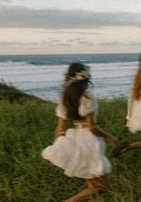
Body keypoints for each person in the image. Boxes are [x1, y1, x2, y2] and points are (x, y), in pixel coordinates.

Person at [42, 63, 117, 202]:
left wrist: (57, 147)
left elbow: (60, 129)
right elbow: (92, 127)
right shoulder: (87, 98)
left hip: (75, 138)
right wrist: (109, 137)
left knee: (93, 184)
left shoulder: (65, 97)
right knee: (101, 187)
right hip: (90, 141)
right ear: (85, 78)